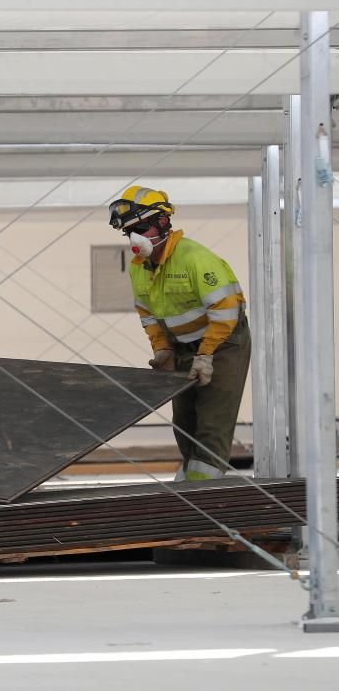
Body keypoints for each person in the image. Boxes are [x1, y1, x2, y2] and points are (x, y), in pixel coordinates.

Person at [108, 186, 251, 481]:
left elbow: (226, 313)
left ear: (163, 222)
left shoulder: (195, 258)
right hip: (182, 347)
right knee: (184, 424)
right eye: (129, 232)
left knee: (211, 424)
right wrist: (164, 349)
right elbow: (147, 315)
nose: (135, 238)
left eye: (141, 228)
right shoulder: (138, 268)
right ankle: (191, 485)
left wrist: (207, 354)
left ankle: (201, 499)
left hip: (224, 345)